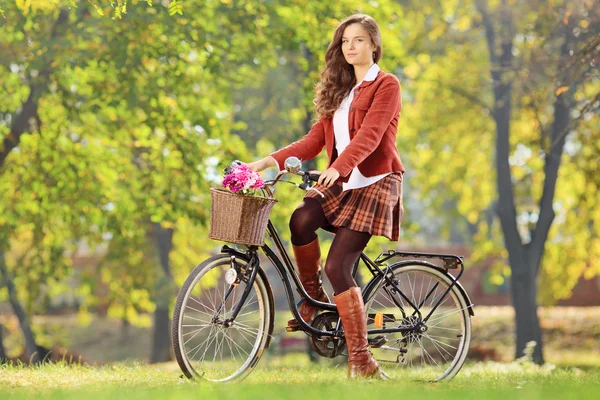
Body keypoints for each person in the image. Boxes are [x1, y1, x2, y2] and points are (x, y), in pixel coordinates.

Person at [247, 13, 404, 379]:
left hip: (375, 181)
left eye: (359, 40)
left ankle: (363, 362)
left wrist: (339, 166)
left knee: (338, 267)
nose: (351, 47)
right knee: (300, 218)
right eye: (346, 41)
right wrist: (266, 162)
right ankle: (314, 301)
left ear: (374, 45)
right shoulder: (342, 90)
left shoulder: (387, 85)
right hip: (341, 179)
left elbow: (371, 135)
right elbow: (313, 141)